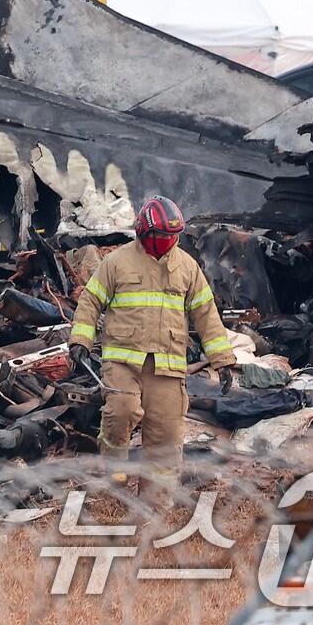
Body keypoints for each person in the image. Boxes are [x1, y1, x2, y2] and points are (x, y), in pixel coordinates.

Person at [68, 195, 237, 502]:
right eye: (161, 236)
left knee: (166, 434)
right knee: (120, 412)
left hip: (167, 365)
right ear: (144, 232)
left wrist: (223, 360)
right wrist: (80, 341)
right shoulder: (117, 262)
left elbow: (206, 315)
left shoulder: (187, 267)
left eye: (173, 236)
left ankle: (157, 501)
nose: (168, 242)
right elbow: (90, 301)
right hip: (122, 361)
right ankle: (113, 481)